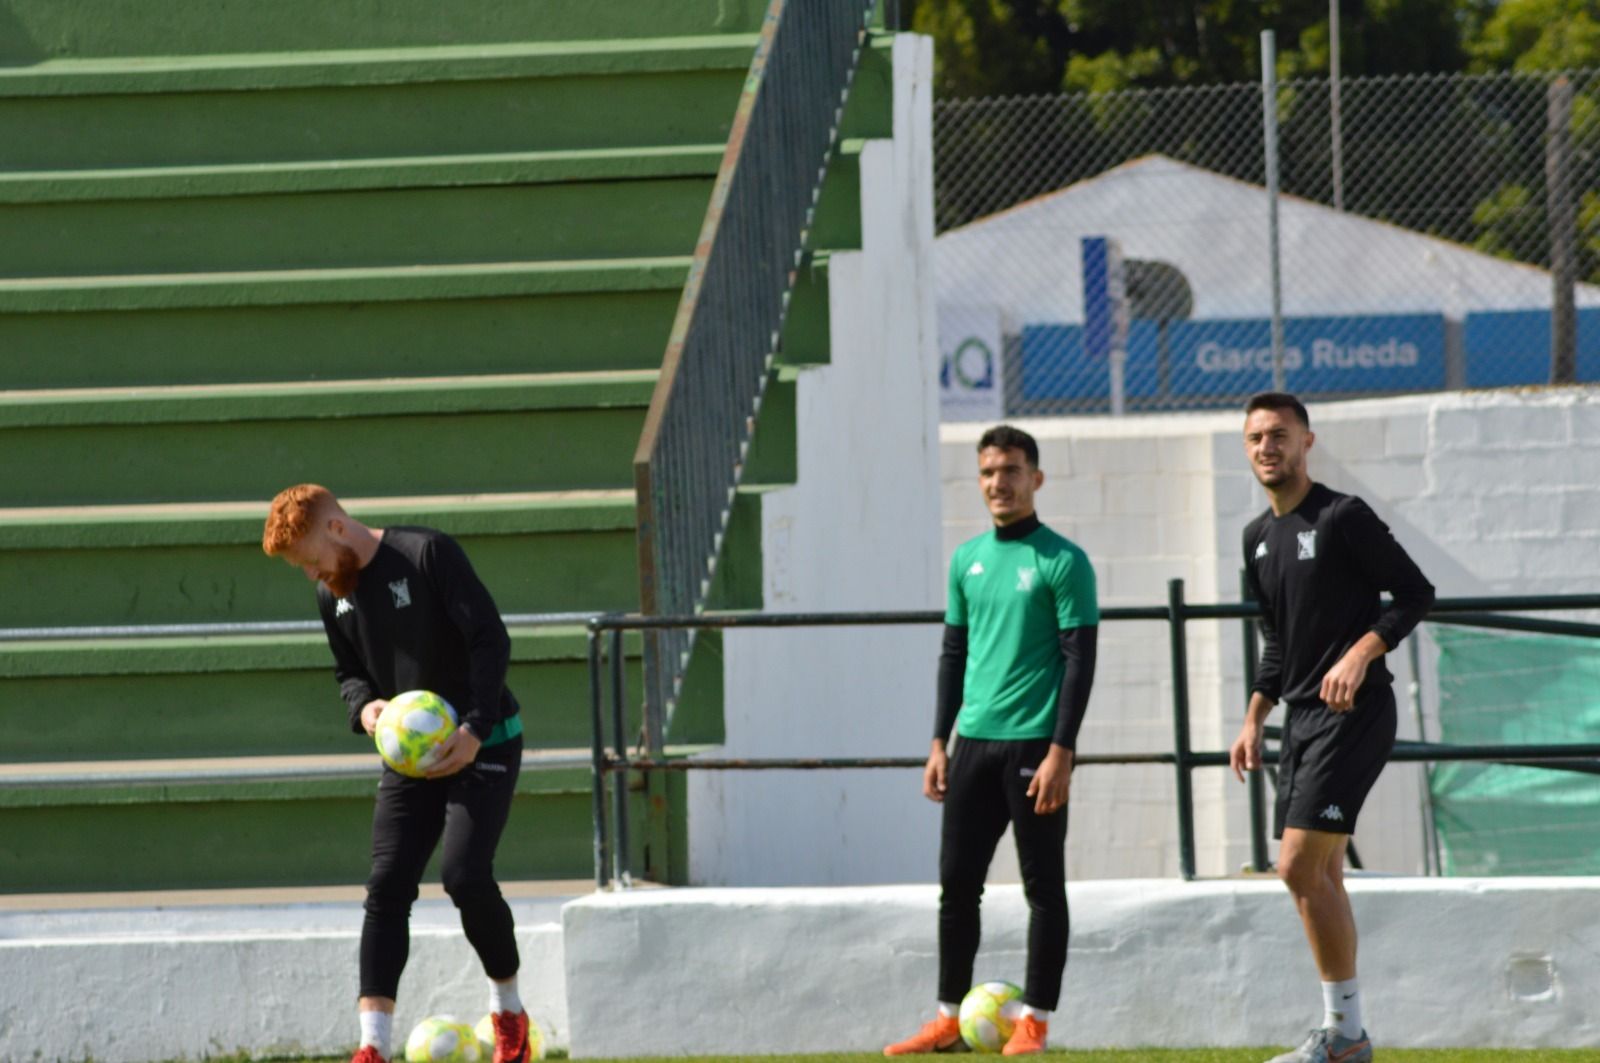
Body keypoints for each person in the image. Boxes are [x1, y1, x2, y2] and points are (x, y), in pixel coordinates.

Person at [261, 484, 535, 1063]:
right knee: (386, 888)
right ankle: (372, 1049)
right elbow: (350, 673)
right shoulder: (329, 594)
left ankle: (508, 1013)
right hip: (408, 758)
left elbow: (490, 639)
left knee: (464, 876)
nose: (310, 571)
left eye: (310, 557)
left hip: (483, 742)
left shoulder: (427, 554)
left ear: (336, 528)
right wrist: (364, 708)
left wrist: (475, 729)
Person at [1228, 393, 1435, 1063]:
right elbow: (1277, 641)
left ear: (1306, 441)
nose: (1268, 446)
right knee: (1320, 875)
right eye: (1256, 436)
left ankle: (1345, 1034)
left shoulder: (1342, 516)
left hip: (1355, 712)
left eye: (1279, 434)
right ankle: (1343, 1033)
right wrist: (1254, 717)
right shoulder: (1256, 537)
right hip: (1300, 721)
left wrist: (1360, 651)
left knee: (1296, 866)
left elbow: (1415, 592)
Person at [884, 425, 1099, 1057]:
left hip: (1034, 747)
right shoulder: (967, 560)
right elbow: (953, 654)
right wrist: (937, 743)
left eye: (1010, 471)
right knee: (956, 885)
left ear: (1036, 477)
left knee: (1043, 888)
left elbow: (1079, 662)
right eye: (987, 473)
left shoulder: (1063, 561)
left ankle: (1033, 1022)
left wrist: (1062, 751)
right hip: (972, 746)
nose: (998, 484)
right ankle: (947, 1017)